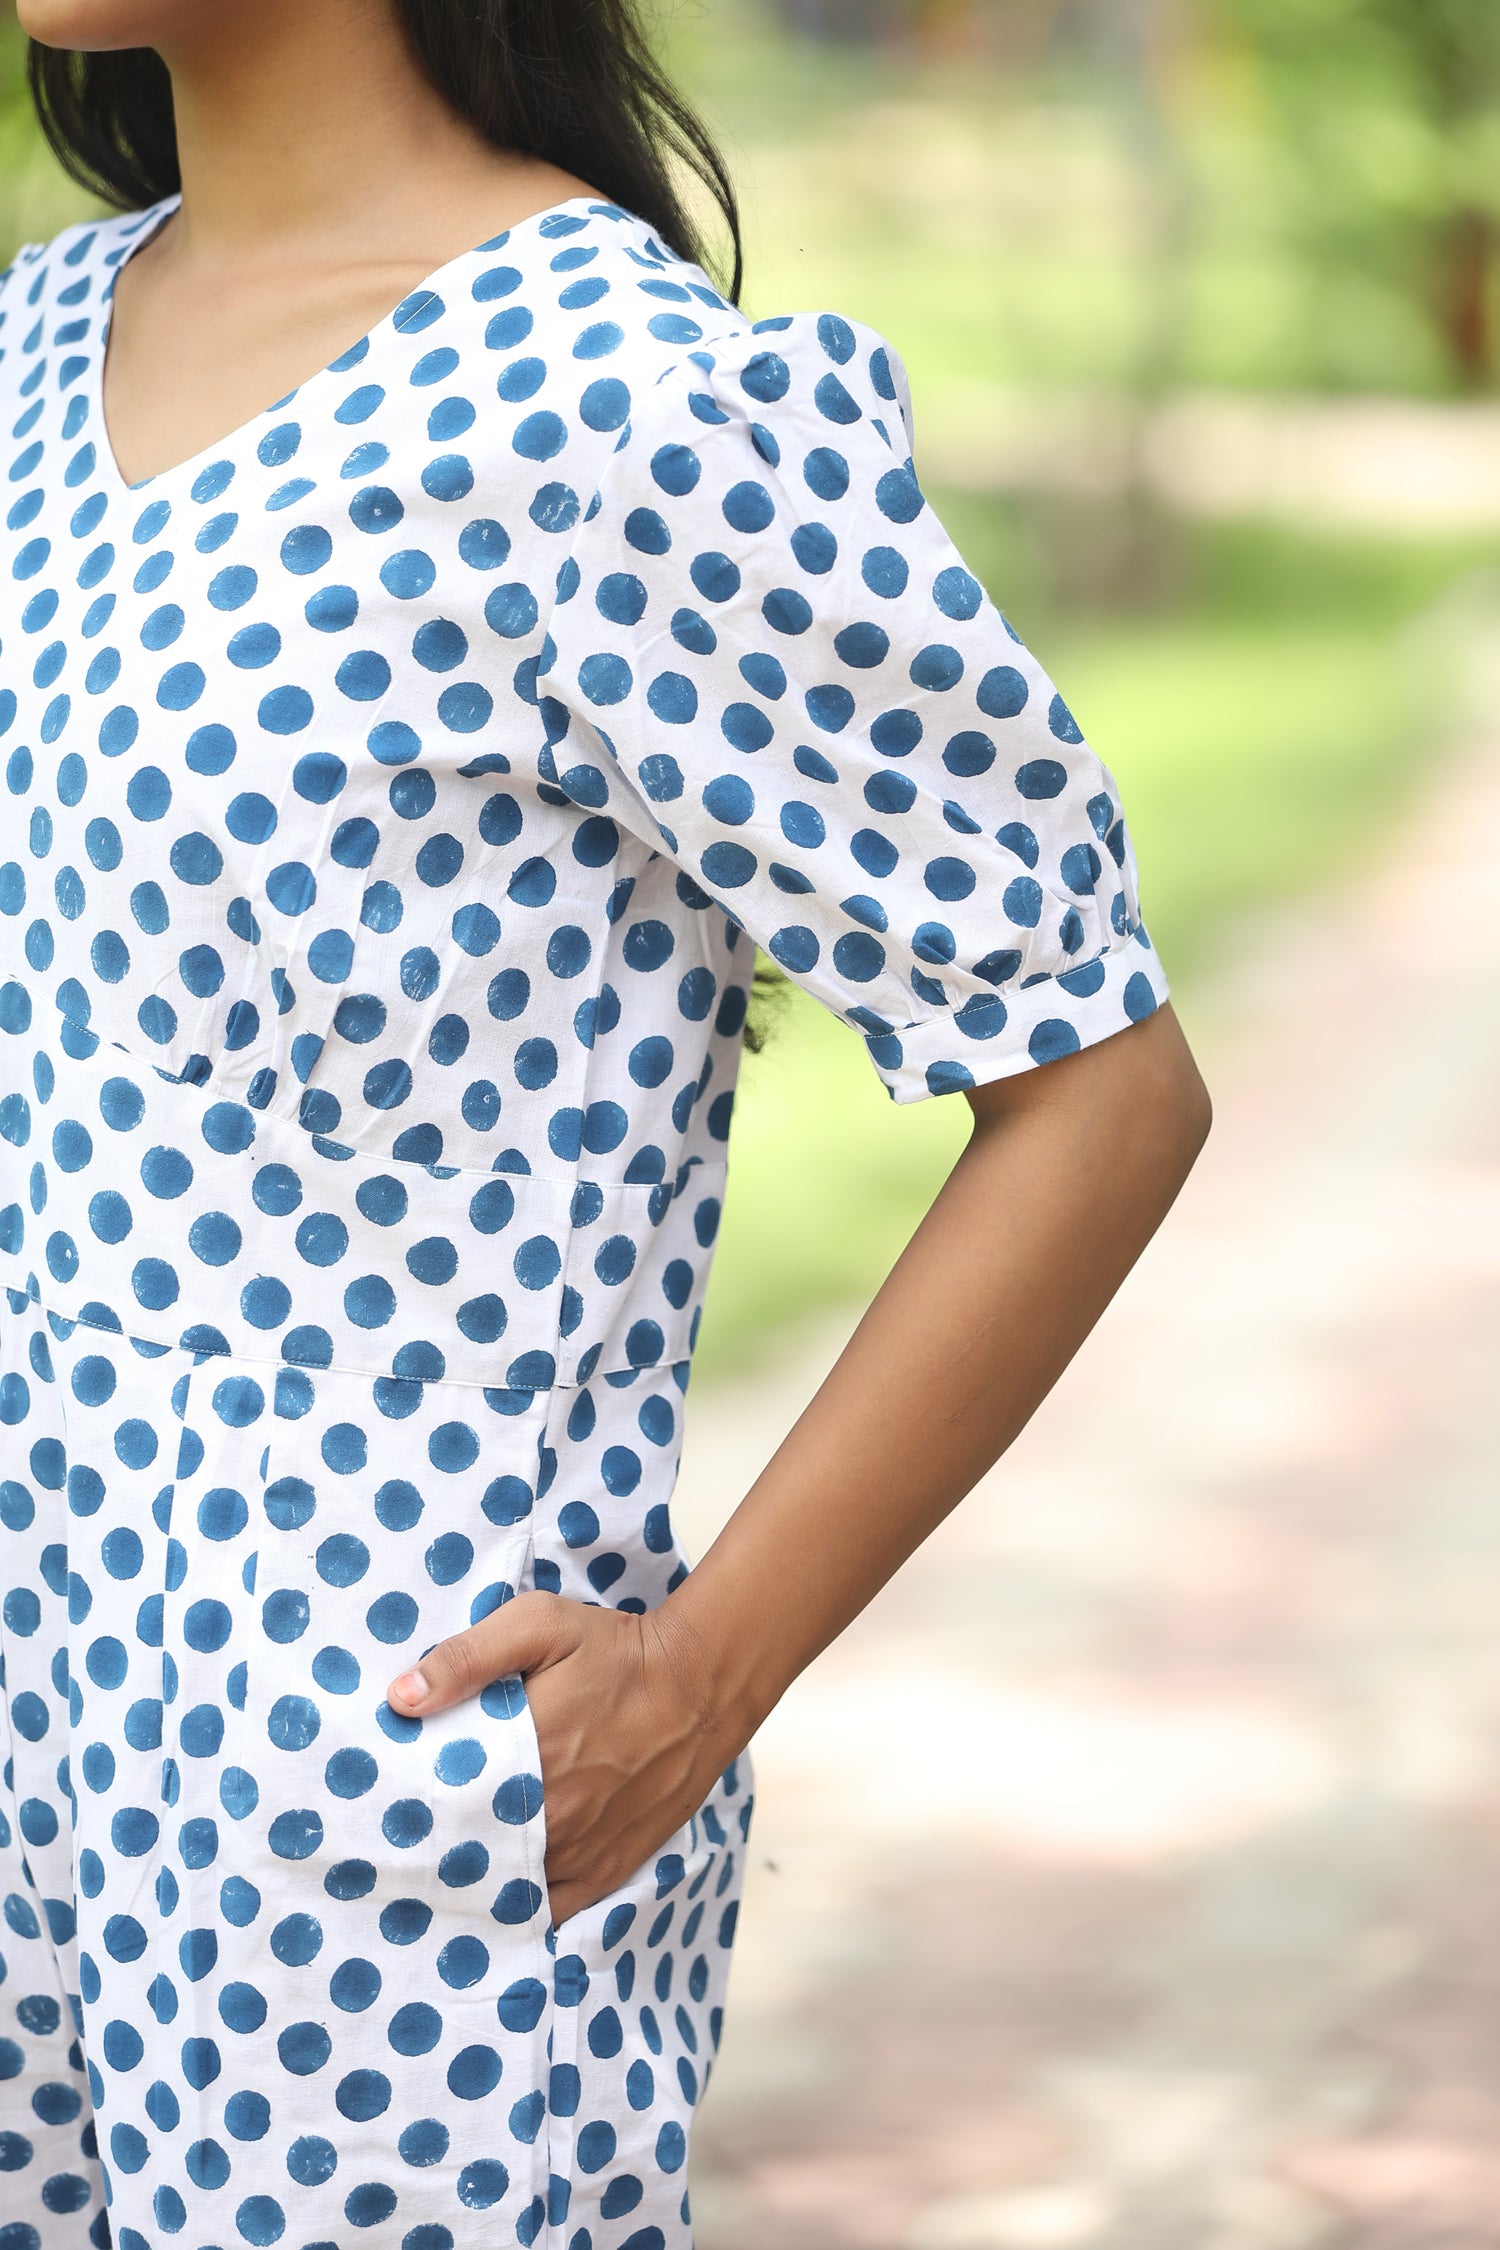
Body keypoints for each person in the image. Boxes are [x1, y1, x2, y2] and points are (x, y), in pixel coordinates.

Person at [0, 3, 1212, 2245]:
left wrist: (706, 1674)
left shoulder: (616, 410)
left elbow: (1102, 1087)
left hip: (368, 1780)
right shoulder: (28, 348)